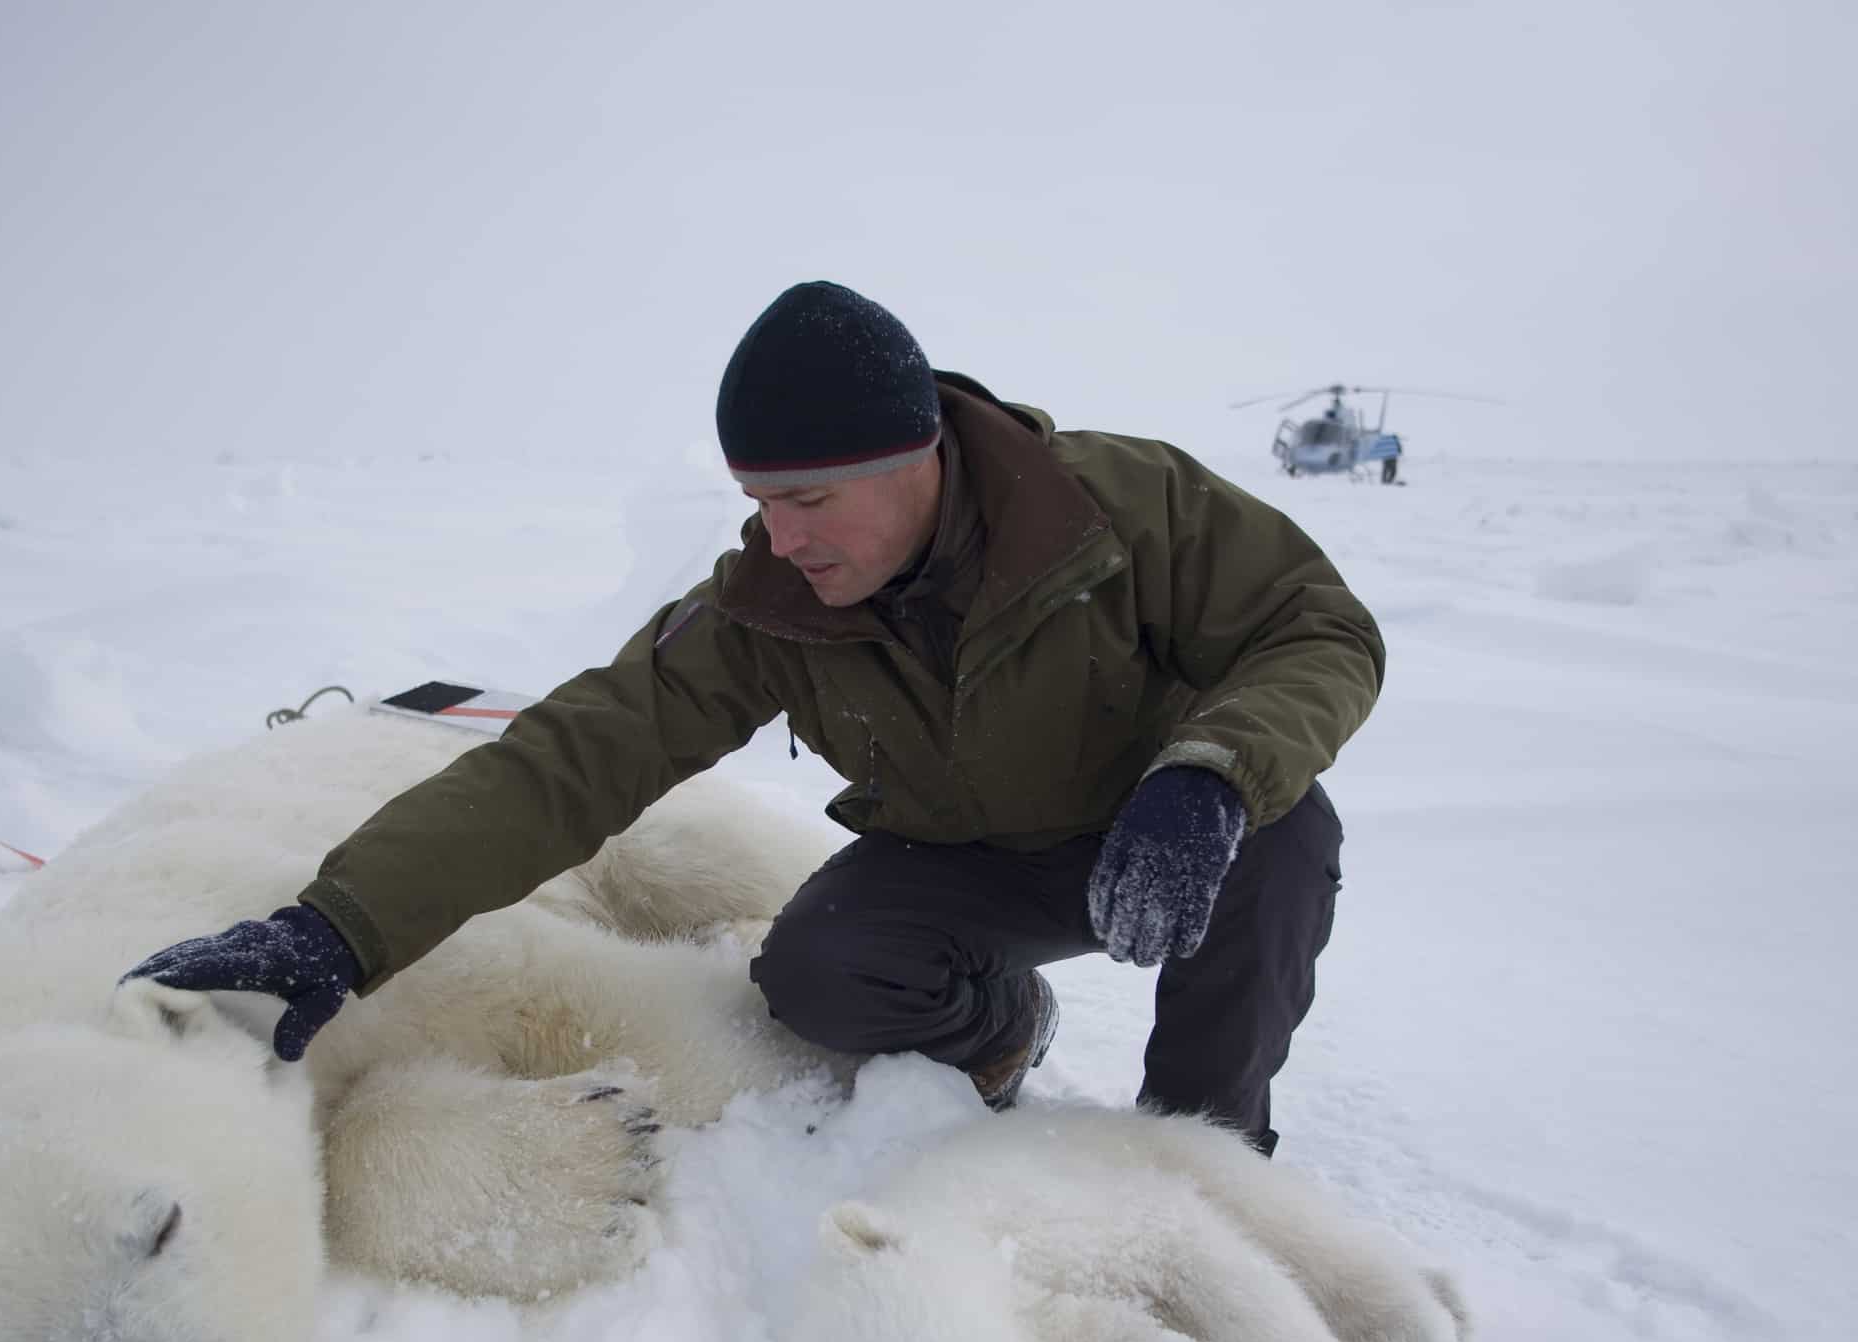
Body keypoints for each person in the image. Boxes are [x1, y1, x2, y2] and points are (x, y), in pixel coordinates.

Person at [127, 282, 1385, 1156]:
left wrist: (1206, 779)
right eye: (755, 500)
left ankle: (1205, 1149)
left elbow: (1317, 628)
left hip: (1161, 834)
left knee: (1282, 838)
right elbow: (567, 762)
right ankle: (1004, 1031)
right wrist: (336, 928)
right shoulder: (768, 603)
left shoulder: (1122, 505)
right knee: (817, 973)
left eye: (808, 498)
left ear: (918, 456)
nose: (780, 537)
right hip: (971, 867)